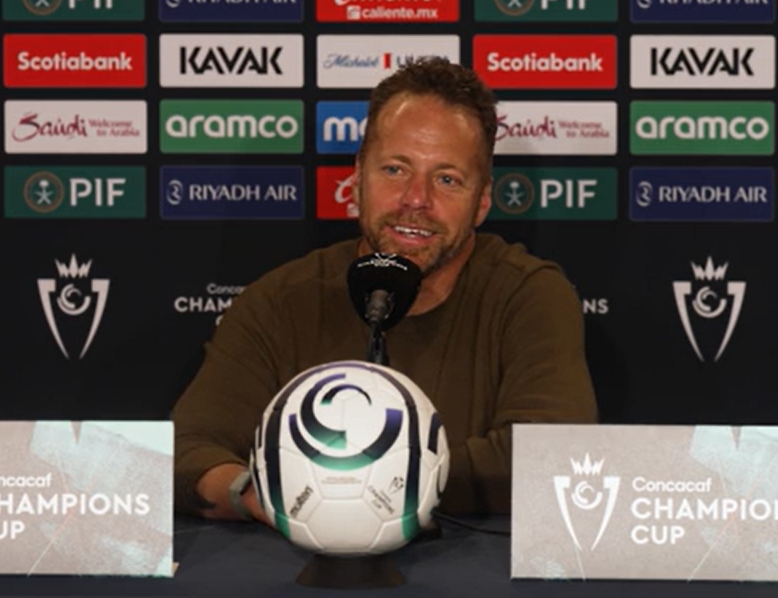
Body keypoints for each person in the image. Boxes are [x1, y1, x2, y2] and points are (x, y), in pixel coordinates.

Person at [172, 57, 598, 524]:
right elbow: (185, 449)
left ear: (482, 202)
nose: (416, 199)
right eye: (395, 170)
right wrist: (270, 498)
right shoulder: (280, 300)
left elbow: (552, 454)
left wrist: (372, 492)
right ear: (357, 177)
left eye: (447, 179)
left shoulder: (529, 297)